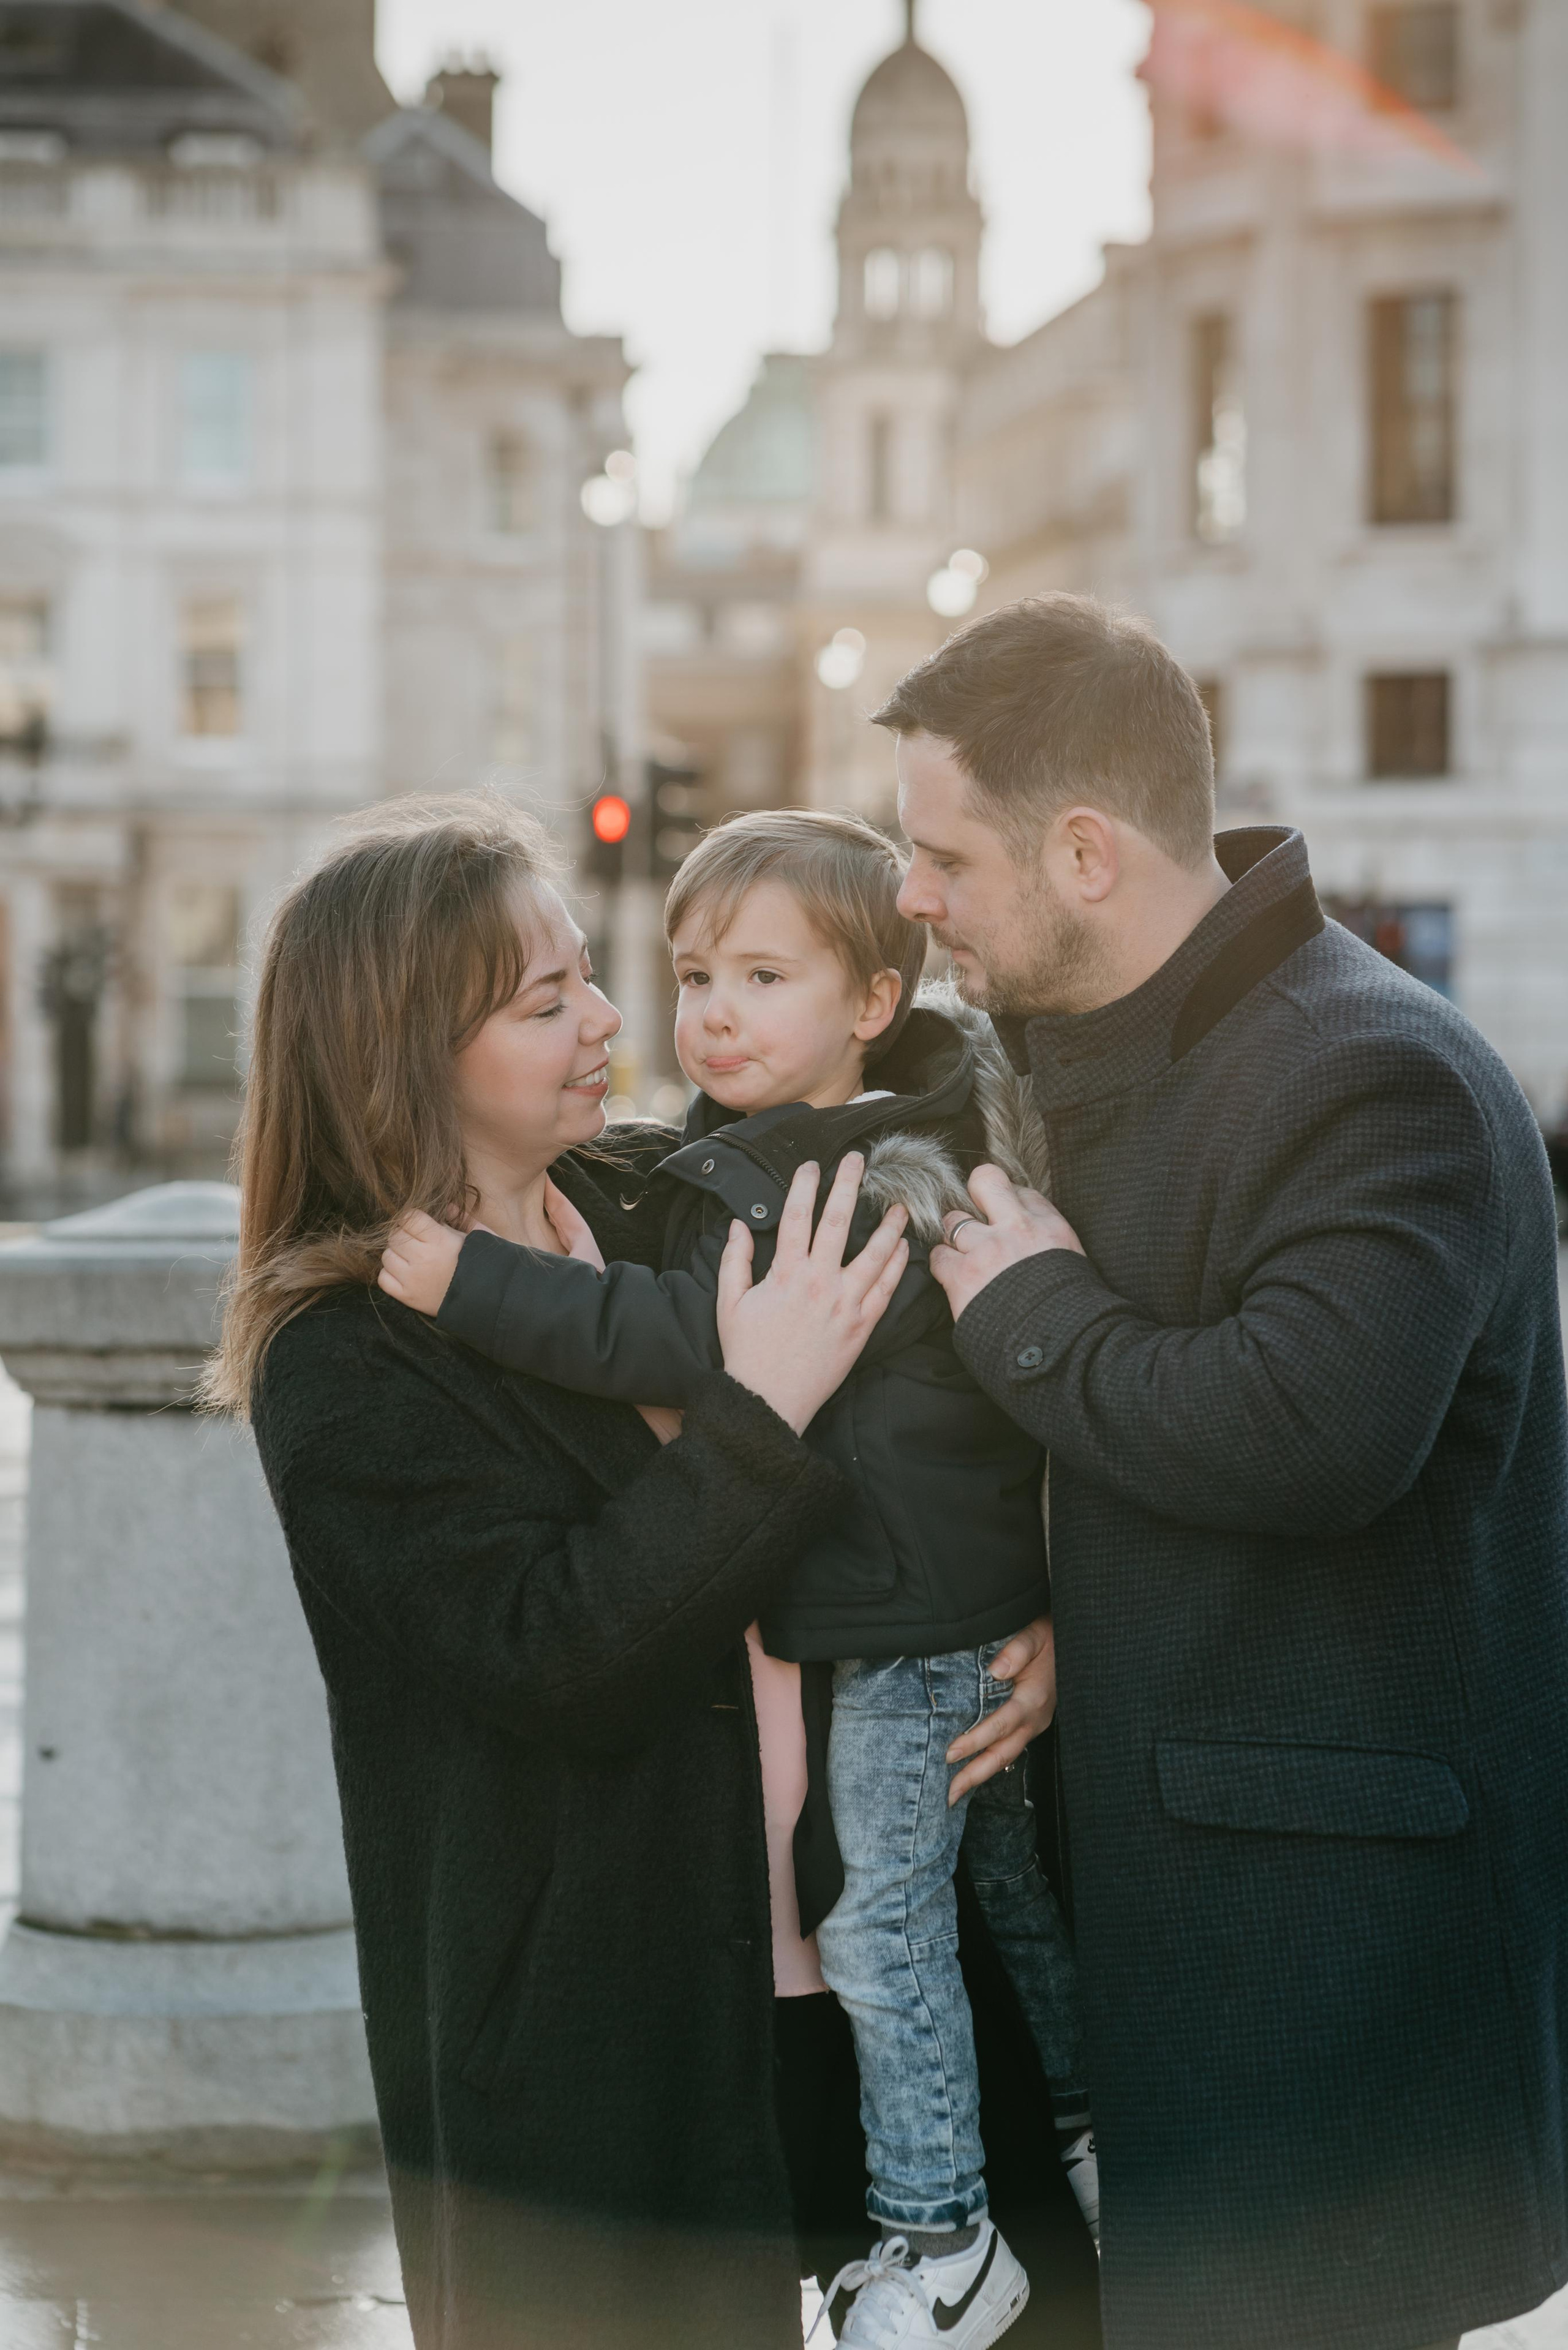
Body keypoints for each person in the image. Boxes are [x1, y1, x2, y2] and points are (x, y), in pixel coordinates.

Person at [207, 797, 1058, 2350]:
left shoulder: (662, 1194)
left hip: (880, 1987)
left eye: (594, 977)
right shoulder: (343, 1351)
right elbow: (557, 1654)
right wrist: (760, 1406)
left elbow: (930, 1418)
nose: (616, 1019)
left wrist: (1022, 1612)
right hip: (615, 2036)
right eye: (549, 1002)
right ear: (407, 1046)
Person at [870, 592, 1568, 2350]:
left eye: (942, 850)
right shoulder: (1122, 1051)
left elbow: (1309, 1426)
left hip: (1327, 1960)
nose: (913, 896)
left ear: (1087, 851)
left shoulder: (1371, 1069)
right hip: (1197, 1920)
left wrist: (1028, 1309)